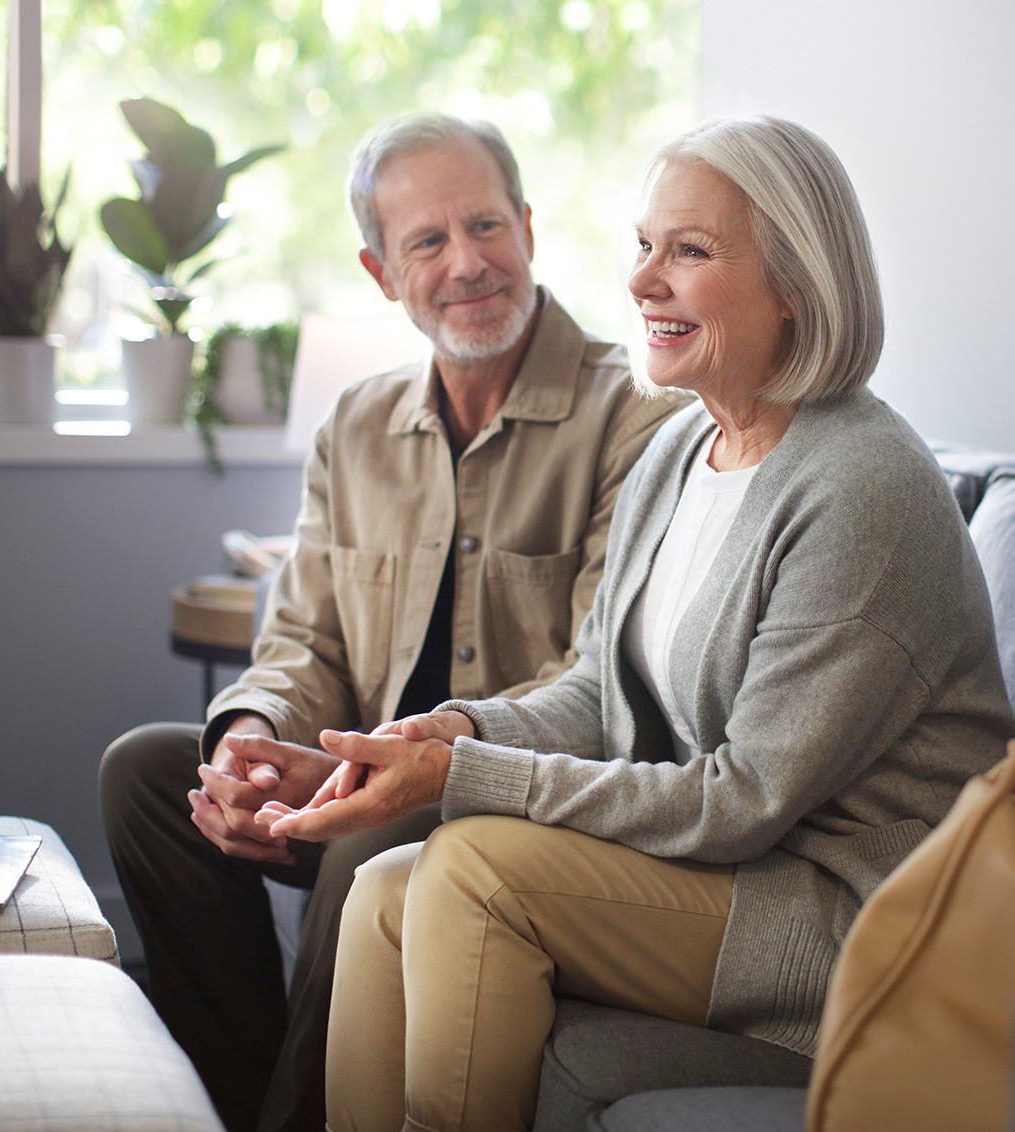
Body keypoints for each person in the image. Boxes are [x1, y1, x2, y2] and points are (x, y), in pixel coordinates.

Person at [260, 115, 1015, 1132]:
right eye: (645, 245)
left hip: (853, 916)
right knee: (386, 890)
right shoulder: (681, 452)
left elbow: (743, 797)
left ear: (798, 283)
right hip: (743, 879)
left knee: (474, 867)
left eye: (690, 252)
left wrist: (461, 777)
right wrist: (451, 732)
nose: (644, 280)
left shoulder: (863, 487)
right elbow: (596, 692)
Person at [98, 112, 689, 1132]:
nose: (468, 263)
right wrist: (252, 739)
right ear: (382, 272)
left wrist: (404, 760)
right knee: (153, 773)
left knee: (398, 825)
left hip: (500, 792)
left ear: (529, 229)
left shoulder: (633, 414)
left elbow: (597, 678)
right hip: (355, 770)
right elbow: (306, 644)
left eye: (486, 226)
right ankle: (239, 1098)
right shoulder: (356, 424)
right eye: (427, 241)